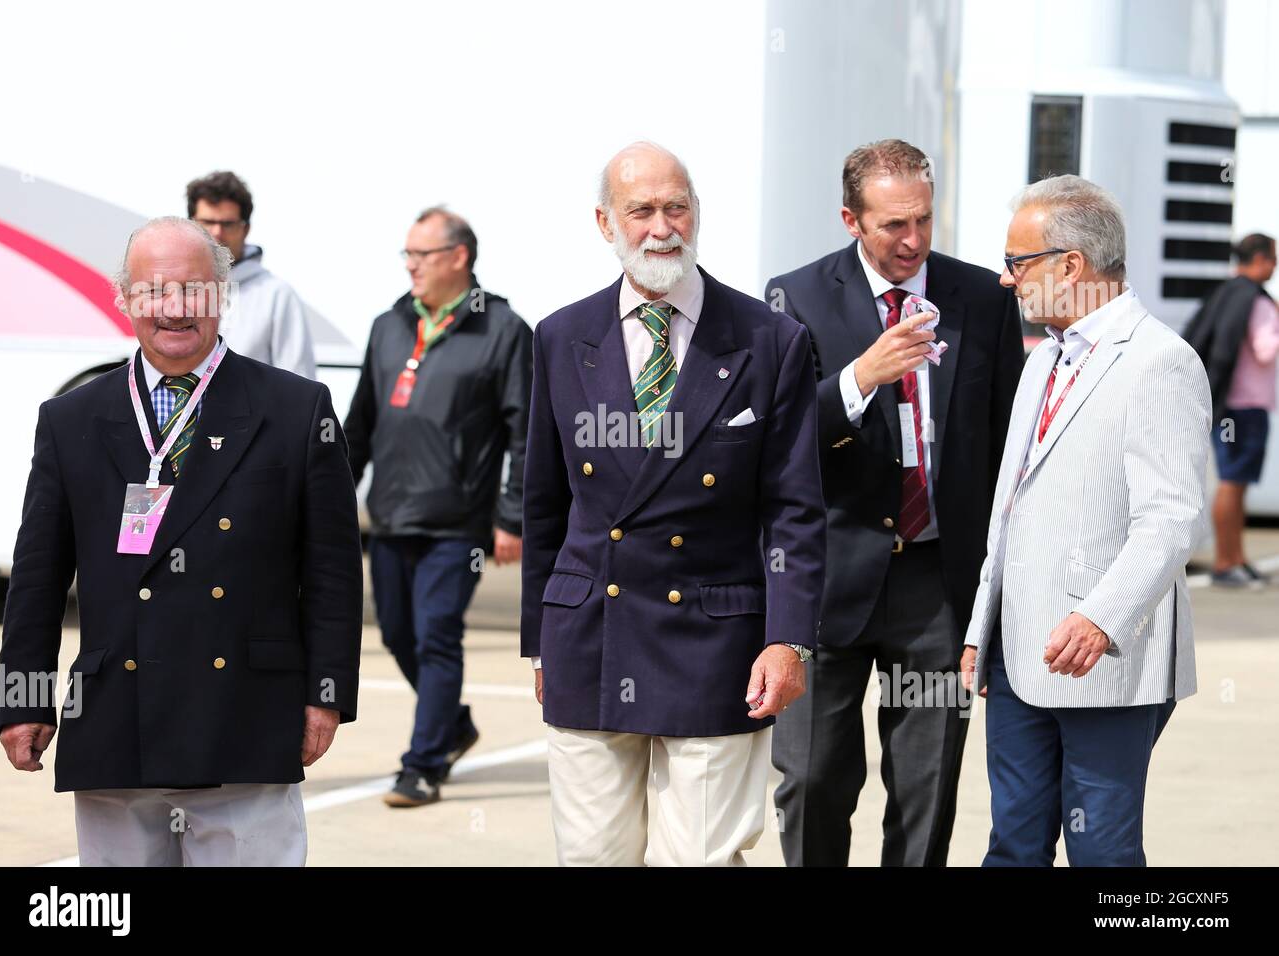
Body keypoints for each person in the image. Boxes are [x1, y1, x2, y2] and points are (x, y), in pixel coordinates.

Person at [0, 217, 363, 866]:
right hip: (116, 716)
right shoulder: (72, 418)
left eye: (194, 290)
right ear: (127, 300)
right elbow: (38, 574)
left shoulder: (296, 409)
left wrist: (325, 695)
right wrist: (21, 699)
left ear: (222, 298)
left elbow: (332, 571)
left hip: (247, 713)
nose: (174, 309)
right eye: (154, 290)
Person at [522, 142, 825, 866]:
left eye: (677, 207)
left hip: (715, 640)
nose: (663, 227)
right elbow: (543, 504)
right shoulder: (561, 337)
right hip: (591, 631)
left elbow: (795, 510)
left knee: (701, 859)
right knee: (594, 856)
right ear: (606, 223)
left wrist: (789, 639)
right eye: (642, 210)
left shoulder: (770, 339)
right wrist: (539, 636)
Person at [764, 139, 1023, 866]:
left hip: (937, 585)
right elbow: (778, 443)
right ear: (851, 218)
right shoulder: (795, 297)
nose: (913, 241)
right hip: (828, 576)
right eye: (892, 226)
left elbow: (1007, 443)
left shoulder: (981, 299)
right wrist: (861, 378)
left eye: (925, 221)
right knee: (812, 777)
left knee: (927, 786)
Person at [961, 175, 1209, 866]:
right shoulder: (1043, 360)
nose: (1008, 281)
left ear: (1070, 265)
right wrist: (984, 623)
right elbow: (1009, 508)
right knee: (1013, 844)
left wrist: (1100, 617)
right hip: (1018, 653)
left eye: (1018, 263)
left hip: (1102, 655)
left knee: (1101, 849)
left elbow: (1171, 520)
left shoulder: (1160, 361)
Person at [344, 207, 531, 807]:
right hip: (393, 515)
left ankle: (422, 766)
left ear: (459, 257)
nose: (410, 267)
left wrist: (510, 517)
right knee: (398, 633)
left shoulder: (501, 329)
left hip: (461, 525)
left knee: (436, 636)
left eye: (421, 255)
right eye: (407, 255)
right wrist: (325, 500)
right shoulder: (389, 325)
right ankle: (451, 726)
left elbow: (524, 432)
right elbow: (360, 424)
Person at [1183, 233, 1279, 588]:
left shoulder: (1226, 292)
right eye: (1272, 257)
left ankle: (1236, 557)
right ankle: (1227, 562)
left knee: (1236, 482)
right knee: (1233, 482)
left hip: (1227, 406)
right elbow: (1265, 350)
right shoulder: (1255, 300)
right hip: (1243, 407)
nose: (1274, 265)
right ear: (1259, 259)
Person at [187, 170, 317, 378]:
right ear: (190, 225)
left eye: (228, 224)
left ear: (245, 229)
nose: (217, 233)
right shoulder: (170, 291)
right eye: (208, 222)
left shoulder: (277, 295)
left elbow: (300, 383)